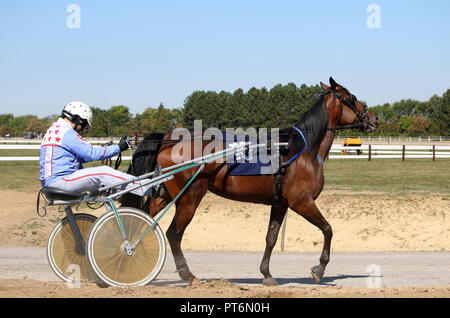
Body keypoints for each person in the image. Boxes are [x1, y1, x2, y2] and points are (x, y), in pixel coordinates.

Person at [39, 101, 153, 197]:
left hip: (55, 182)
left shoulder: (56, 129)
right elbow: (91, 153)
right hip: (60, 182)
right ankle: (150, 187)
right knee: (104, 172)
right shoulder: (65, 132)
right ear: (76, 119)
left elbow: (82, 157)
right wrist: (119, 147)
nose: (82, 129)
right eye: (83, 124)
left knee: (111, 181)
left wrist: (108, 150)